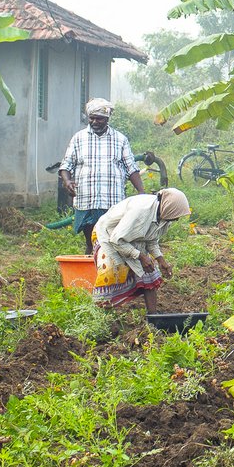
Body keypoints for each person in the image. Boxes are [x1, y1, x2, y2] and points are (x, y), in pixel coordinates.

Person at [58, 98, 143, 254]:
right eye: (92, 118)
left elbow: (131, 168)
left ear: (107, 119)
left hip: (112, 201)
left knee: (113, 242)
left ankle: (113, 275)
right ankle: (91, 273)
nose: (95, 121)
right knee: (91, 243)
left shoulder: (120, 139)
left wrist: (141, 193)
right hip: (86, 199)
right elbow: (66, 165)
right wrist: (67, 180)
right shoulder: (79, 138)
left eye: (99, 118)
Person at [92, 187, 188, 312]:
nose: (177, 219)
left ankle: (153, 318)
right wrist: (141, 256)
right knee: (112, 274)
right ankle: (102, 315)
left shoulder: (164, 216)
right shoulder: (140, 211)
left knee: (149, 274)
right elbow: (116, 239)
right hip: (108, 235)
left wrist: (161, 260)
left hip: (133, 239)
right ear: (168, 207)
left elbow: (152, 239)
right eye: (176, 215)